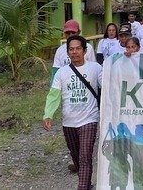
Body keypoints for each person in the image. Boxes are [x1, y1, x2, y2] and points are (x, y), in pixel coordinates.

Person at [43, 35, 103, 190]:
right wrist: (48, 114)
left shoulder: (96, 69)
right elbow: (54, 95)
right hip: (69, 121)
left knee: (85, 156)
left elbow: (108, 86)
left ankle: (82, 187)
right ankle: (87, 184)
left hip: (89, 119)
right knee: (76, 156)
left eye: (78, 49)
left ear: (85, 51)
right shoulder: (61, 73)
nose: (74, 52)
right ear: (68, 52)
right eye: (71, 49)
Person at [51, 20, 94, 86]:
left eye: (73, 32)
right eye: (68, 33)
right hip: (66, 85)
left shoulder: (88, 47)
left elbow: (93, 68)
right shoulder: (60, 50)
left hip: (85, 84)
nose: (70, 35)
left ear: (79, 32)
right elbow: (55, 71)